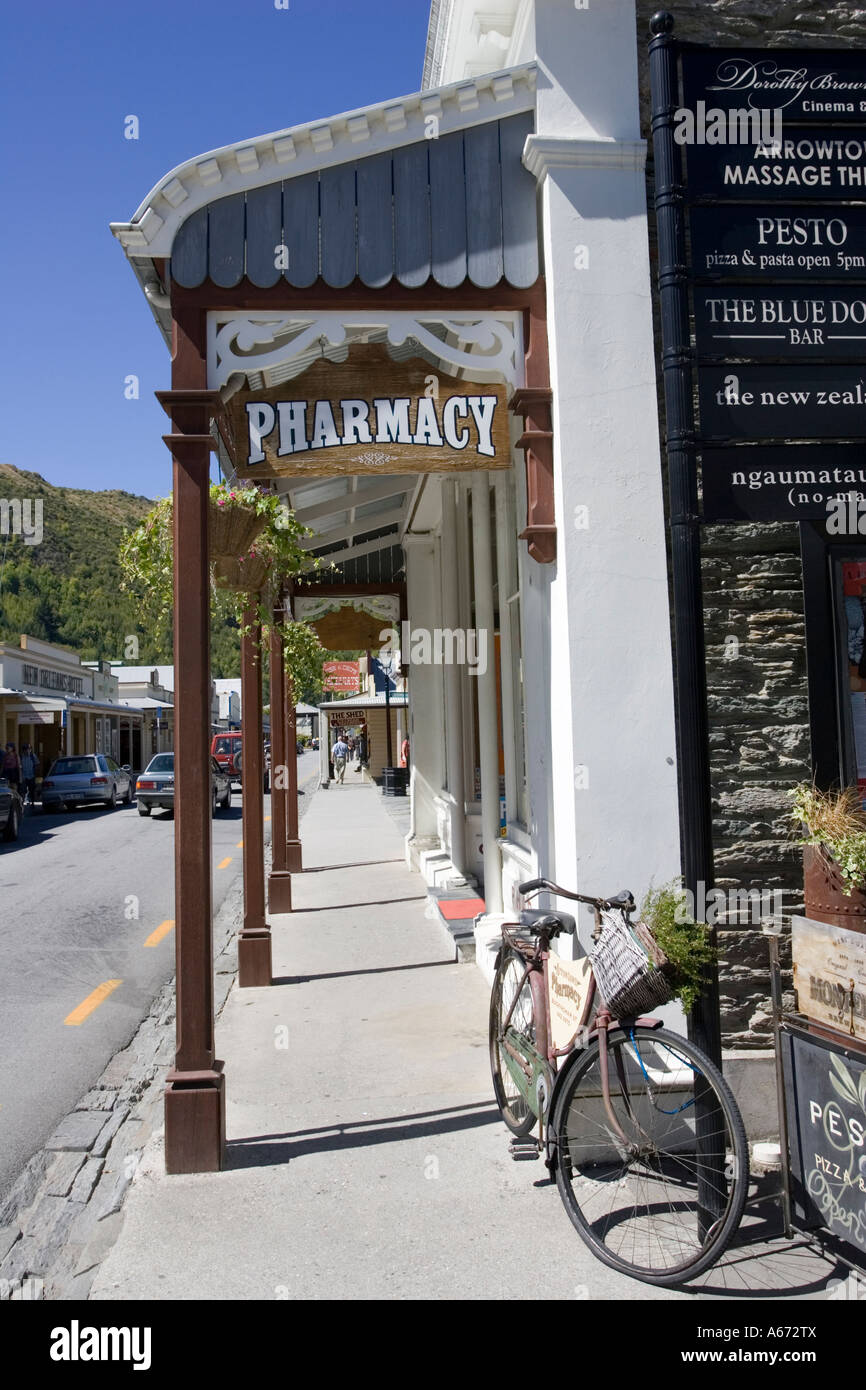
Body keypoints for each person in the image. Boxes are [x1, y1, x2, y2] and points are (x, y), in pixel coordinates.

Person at [19, 743, 39, 807]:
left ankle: (32, 803)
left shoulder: (33, 756)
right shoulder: (21, 757)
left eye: (29, 749)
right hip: (24, 776)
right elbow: (19, 766)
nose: (28, 751)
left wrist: (35, 773)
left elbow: (37, 764)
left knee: (32, 790)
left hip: (31, 776)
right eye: (26, 749)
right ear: (23, 750)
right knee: (23, 791)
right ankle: (22, 804)